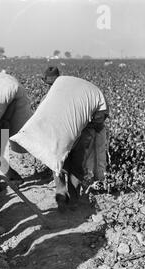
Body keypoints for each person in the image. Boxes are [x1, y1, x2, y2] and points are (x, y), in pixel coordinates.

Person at [47, 77, 109, 210]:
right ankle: (73, 201)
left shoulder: (54, 95)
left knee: (58, 165)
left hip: (61, 133)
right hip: (83, 135)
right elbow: (101, 118)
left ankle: (62, 198)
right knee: (76, 167)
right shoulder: (92, 95)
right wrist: (89, 124)